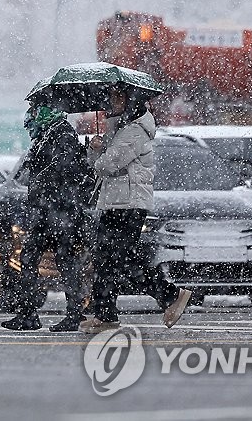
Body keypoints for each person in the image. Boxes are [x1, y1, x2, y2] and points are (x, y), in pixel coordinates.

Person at [80, 85, 191, 334]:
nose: (112, 102)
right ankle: (104, 314)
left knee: (122, 259)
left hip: (129, 205)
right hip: (114, 202)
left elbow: (107, 165)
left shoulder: (134, 131)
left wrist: (99, 152)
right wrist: (95, 150)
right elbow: (98, 165)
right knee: (104, 260)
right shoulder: (121, 129)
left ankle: (171, 295)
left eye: (118, 97)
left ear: (131, 101)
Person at [1, 102, 97, 332]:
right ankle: (29, 313)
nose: (31, 118)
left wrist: (43, 172)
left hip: (60, 211)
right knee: (33, 258)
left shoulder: (63, 134)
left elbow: (65, 168)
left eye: (35, 111)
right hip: (48, 211)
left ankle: (70, 314)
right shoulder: (48, 135)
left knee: (63, 261)